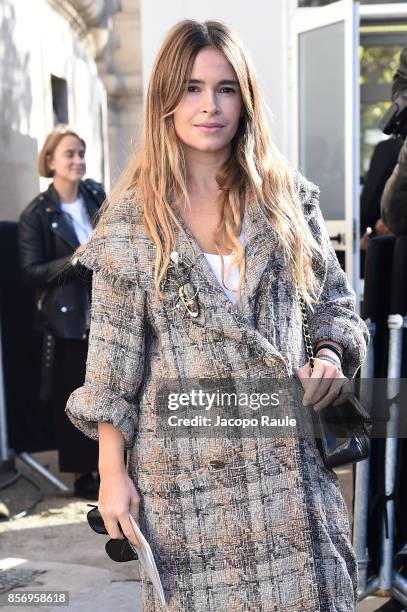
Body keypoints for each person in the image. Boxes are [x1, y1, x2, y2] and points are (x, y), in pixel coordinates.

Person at [66, 20, 369, 611]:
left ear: (245, 98)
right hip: (186, 481)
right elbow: (110, 370)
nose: (210, 106)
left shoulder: (286, 198)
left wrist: (331, 356)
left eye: (226, 88)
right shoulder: (130, 223)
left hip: (289, 470)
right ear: (167, 101)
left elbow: (336, 303)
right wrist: (112, 475)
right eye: (193, 88)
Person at [19, 125, 105, 499]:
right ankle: (84, 474)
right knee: (75, 395)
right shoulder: (37, 214)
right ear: (50, 161)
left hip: (106, 308)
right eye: (70, 154)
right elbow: (30, 272)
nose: (78, 161)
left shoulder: (96, 193)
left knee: (109, 390)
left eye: (82, 153)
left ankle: (113, 465)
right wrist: (77, 257)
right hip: (67, 318)